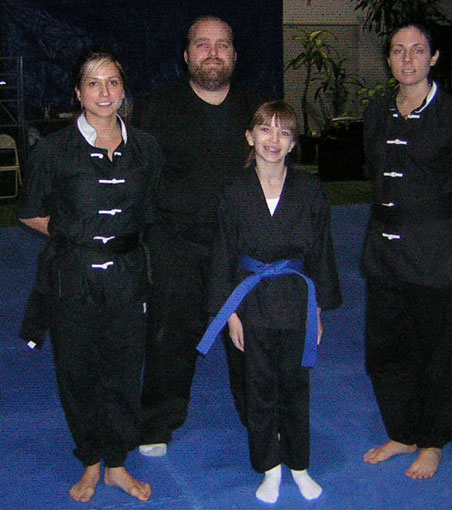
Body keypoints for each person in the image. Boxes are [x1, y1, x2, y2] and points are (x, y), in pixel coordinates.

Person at [17, 50, 163, 502]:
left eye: (113, 82)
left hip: (128, 277)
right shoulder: (53, 150)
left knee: (124, 371)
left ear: (123, 91)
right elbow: (29, 211)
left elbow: (150, 211)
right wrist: (79, 236)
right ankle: (91, 462)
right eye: (94, 83)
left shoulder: (147, 147)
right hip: (73, 277)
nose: (104, 92)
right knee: (77, 373)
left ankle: (116, 464)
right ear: (78, 93)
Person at [361, 23, 452, 479]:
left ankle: (432, 440)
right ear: (389, 59)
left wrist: (451, 233)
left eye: (418, 50)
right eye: (398, 50)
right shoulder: (377, 112)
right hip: (384, 250)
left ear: (433, 58)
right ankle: (403, 432)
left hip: (437, 252)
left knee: (437, 351)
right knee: (385, 349)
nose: (408, 59)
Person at [133, 15, 265, 457]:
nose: (213, 53)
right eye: (203, 45)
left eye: (222, 45)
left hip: (242, 245)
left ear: (234, 55)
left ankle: (261, 416)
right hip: (174, 241)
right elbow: (138, 176)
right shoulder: (155, 107)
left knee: (252, 334)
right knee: (169, 334)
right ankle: (158, 421)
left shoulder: (258, 107)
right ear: (187, 54)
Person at [197, 101, 342, 503]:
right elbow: (223, 254)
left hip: (296, 300)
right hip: (251, 302)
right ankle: (270, 467)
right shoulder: (234, 192)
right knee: (258, 388)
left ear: (294, 143)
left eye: (284, 132)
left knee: (296, 386)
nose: (273, 140)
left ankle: (299, 464)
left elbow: (321, 251)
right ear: (250, 137)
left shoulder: (309, 190)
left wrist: (317, 310)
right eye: (265, 130)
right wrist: (231, 315)